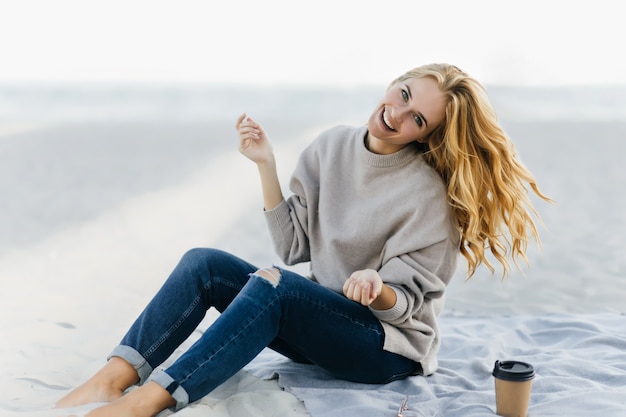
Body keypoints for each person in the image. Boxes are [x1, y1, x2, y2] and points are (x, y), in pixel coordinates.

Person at [55, 63, 550, 416]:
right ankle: (116, 376)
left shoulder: (428, 196)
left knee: (278, 287)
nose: (397, 113)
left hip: (384, 349)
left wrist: (375, 287)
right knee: (203, 262)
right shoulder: (330, 145)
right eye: (403, 94)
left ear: (426, 135)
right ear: (394, 83)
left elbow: (409, 304)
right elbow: (294, 249)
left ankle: (152, 399)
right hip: (320, 324)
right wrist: (266, 165)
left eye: (417, 118)